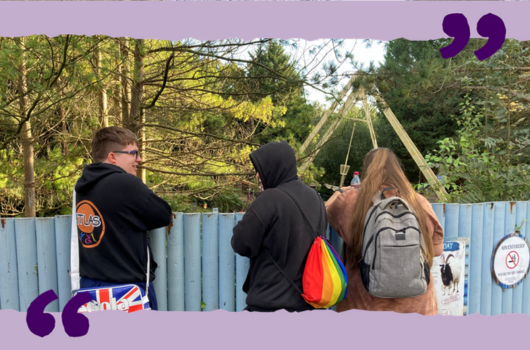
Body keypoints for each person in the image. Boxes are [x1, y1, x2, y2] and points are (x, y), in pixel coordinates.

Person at [325, 148, 444, 315]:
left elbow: (322, 212)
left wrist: (339, 192)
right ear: (398, 171)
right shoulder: (419, 202)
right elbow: (437, 250)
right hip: (417, 307)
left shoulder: (350, 200)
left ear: (367, 171)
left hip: (363, 303)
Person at [74, 126, 172, 310]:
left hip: (91, 288)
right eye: (133, 153)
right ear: (113, 157)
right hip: (126, 291)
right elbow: (163, 214)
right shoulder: (125, 183)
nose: (139, 159)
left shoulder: (82, 187)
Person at [231, 141, 327, 312]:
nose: (258, 175)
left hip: (270, 305)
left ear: (274, 166)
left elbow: (241, 243)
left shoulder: (270, 198)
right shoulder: (316, 199)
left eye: (261, 169)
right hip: (309, 304)